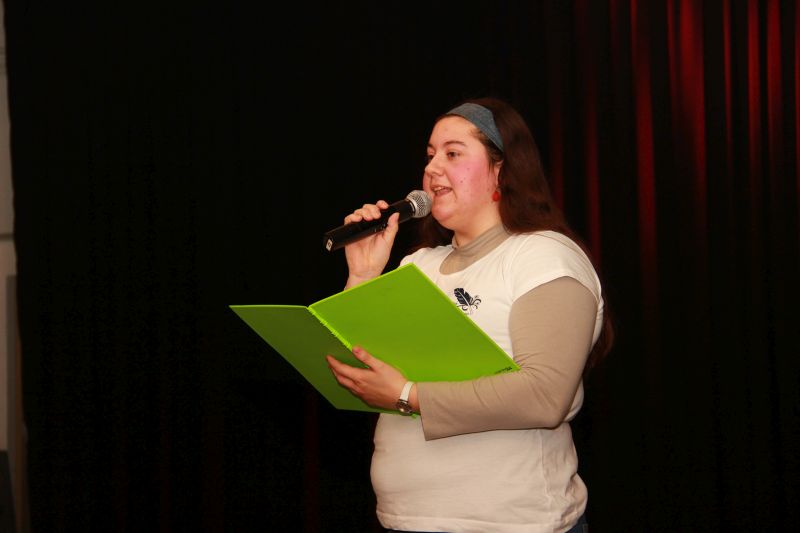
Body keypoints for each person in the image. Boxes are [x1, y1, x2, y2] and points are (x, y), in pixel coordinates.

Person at [326, 97, 613, 533]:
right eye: (430, 155)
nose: (432, 168)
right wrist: (363, 275)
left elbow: (544, 395)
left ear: (502, 170)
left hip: (515, 524)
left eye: (453, 153)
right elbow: (361, 373)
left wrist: (408, 396)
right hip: (404, 521)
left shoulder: (543, 257)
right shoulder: (417, 265)